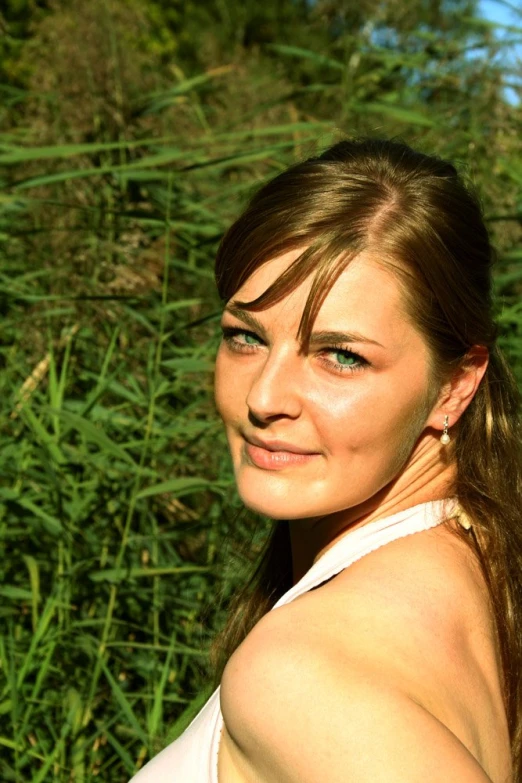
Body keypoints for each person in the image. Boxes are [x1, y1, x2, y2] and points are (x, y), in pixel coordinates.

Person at [130, 138, 521, 782]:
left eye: (341, 356)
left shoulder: (302, 677)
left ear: (455, 385)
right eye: (245, 337)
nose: (263, 398)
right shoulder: (474, 561)